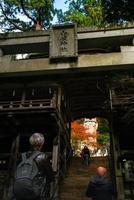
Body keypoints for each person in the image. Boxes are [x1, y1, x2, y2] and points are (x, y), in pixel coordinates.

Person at [13, 132, 54, 200]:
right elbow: (51, 176)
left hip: (19, 190)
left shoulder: (21, 156)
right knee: (47, 182)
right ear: (42, 144)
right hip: (35, 192)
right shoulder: (43, 157)